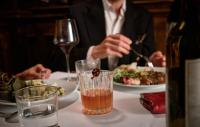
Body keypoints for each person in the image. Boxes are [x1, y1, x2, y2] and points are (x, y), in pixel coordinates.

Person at [68, 0, 166, 70]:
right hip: (92, 87)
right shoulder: (77, 12)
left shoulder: (144, 16)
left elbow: (146, 57)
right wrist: (93, 53)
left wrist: (153, 62)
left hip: (129, 92)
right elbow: (59, 59)